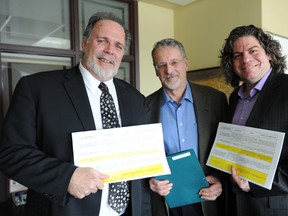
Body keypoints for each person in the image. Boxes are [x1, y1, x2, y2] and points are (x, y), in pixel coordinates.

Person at [0, 12, 151, 216]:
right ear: (84, 43)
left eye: (118, 46)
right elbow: (11, 153)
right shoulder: (37, 88)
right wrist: (67, 177)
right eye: (102, 41)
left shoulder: (135, 98)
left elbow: (139, 160)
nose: (110, 51)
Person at [146, 38, 228, 216]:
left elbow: (228, 148)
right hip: (166, 201)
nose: (169, 70)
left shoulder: (216, 100)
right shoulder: (144, 107)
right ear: (155, 70)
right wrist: (150, 180)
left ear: (186, 63)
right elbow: (140, 158)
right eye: (161, 65)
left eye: (174, 62)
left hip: (209, 198)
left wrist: (221, 180)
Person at [219, 24, 288, 216]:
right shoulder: (233, 98)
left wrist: (255, 184)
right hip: (234, 204)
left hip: (273, 207)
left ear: (269, 54)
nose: (246, 59)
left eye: (252, 51)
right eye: (237, 55)